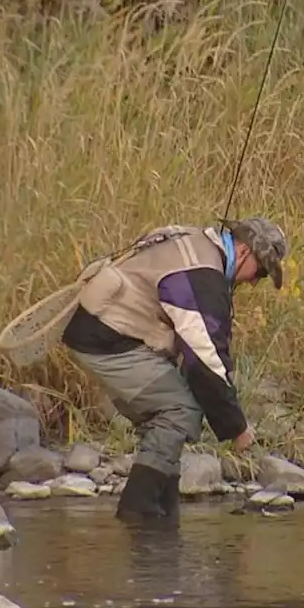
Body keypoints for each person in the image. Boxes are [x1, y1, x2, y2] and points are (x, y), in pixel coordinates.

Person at [60, 217, 288, 523]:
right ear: (245, 251)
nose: (254, 281)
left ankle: (164, 514)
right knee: (180, 409)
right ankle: (138, 507)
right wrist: (236, 427)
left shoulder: (196, 243)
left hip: (100, 327)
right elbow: (205, 359)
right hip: (107, 337)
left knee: (166, 411)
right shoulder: (203, 277)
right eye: (260, 271)